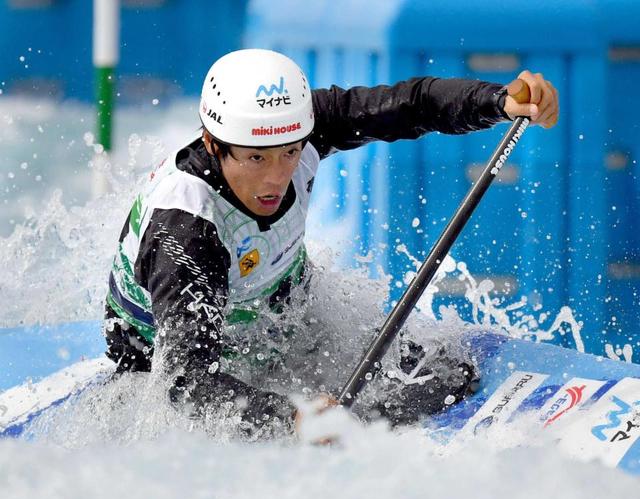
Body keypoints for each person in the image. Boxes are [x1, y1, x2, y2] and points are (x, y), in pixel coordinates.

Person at [104, 48, 559, 437]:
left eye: (290, 153)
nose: (276, 177)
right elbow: (187, 382)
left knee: (447, 375)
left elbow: (413, 104)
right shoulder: (185, 233)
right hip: (161, 357)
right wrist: (289, 419)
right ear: (212, 142)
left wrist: (498, 102)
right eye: (256, 159)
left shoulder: (298, 126)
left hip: (277, 312)